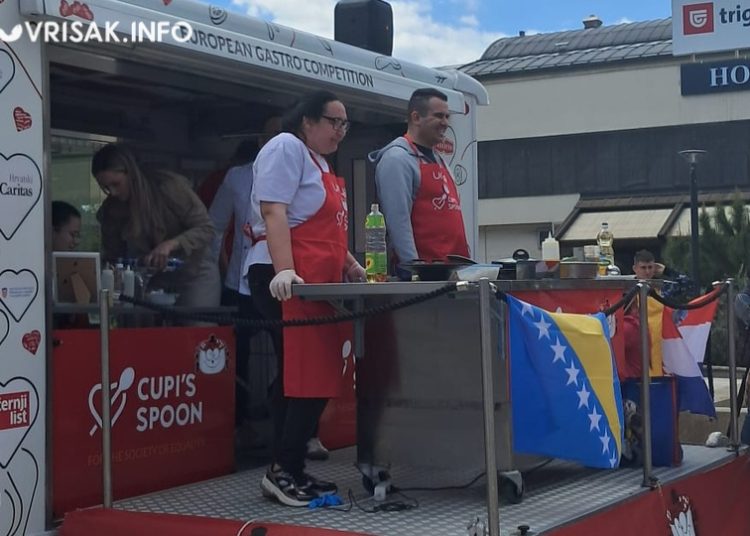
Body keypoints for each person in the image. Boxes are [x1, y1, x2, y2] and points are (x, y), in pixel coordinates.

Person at [245, 90, 365, 507]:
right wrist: (284, 271)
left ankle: (292, 466)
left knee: (317, 374)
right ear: (307, 122)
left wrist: (350, 263)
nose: (340, 131)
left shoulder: (321, 164)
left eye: (345, 124)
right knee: (304, 375)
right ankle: (282, 470)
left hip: (317, 280)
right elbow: (274, 212)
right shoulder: (286, 147)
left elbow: (323, 227)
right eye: (333, 121)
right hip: (284, 278)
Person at [208, 115, 282, 436]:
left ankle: (283, 419)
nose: (278, 141)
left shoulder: (301, 175)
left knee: (289, 353)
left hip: (284, 282)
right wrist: (218, 269)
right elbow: (214, 226)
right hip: (240, 281)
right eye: (272, 134)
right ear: (261, 139)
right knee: (235, 355)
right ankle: (236, 423)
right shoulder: (237, 177)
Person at [93, 143, 220, 307]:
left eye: (116, 184)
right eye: (105, 187)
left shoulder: (169, 186)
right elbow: (112, 256)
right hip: (150, 279)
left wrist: (171, 244)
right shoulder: (111, 211)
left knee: (196, 322)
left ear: (131, 173)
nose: (113, 192)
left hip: (194, 273)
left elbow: (206, 228)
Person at [369, 87, 469, 266]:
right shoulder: (397, 159)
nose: (445, 123)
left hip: (455, 271)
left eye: (447, 116)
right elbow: (399, 223)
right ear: (416, 117)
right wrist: (415, 269)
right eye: (439, 116)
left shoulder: (439, 160)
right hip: (427, 275)